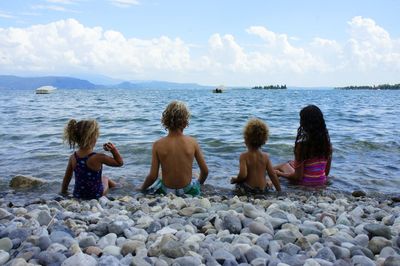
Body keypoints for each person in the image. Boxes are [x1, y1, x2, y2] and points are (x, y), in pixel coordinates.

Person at [141, 101, 208, 196]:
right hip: (187, 190)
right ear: (185, 122)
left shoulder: (157, 144)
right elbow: (205, 171)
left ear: (165, 121)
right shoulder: (193, 142)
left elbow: (152, 176)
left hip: (166, 191)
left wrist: (142, 188)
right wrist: (199, 184)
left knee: (160, 175)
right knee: (196, 175)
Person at [61, 119, 123, 199]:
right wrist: (113, 150)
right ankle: (119, 186)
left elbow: (67, 177)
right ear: (91, 138)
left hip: (78, 195)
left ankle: (118, 185)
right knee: (105, 178)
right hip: (96, 195)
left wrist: (64, 192)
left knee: (100, 179)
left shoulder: (73, 157)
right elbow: (119, 163)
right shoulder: (98, 157)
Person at [274, 105, 332, 186]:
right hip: (321, 182)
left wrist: (280, 174)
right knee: (291, 163)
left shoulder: (302, 145)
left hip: (304, 184)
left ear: (304, 123)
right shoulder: (327, 144)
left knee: (284, 165)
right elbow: (326, 172)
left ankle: (263, 171)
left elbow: (298, 177)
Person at [231, 118, 281, 193]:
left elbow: (243, 175)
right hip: (263, 189)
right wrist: (279, 190)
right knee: (268, 180)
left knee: (238, 184)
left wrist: (235, 180)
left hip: (248, 189)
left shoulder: (244, 156)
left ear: (246, 139)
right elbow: (272, 174)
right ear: (264, 140)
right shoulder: (266, 156)